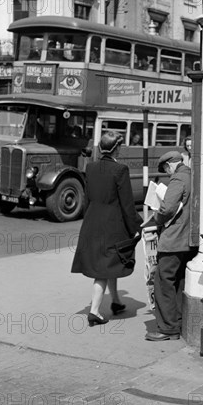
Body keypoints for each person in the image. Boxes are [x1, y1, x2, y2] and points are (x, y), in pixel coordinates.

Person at [71, 130, 143, 326]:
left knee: (110, 263)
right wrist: (136, 226)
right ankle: (94, 312)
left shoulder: (91, 168)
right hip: (112, 226)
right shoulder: (120, 170)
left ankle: (117, 301)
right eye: (120, 146)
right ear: (116, 148)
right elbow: (127, 205)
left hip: (93, 223)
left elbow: (88, 199)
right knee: (103, 269)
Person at [145, 151, 197, 341]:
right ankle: (178, 322)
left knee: (163, 282)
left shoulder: (177, 180)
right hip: (188, 240)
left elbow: (167, 208)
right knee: (179, 282)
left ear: (170, 165)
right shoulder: (193, 176)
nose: (167, 174)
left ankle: (168, 328)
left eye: (166, 170)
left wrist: (156, 218)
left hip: (173, 240)